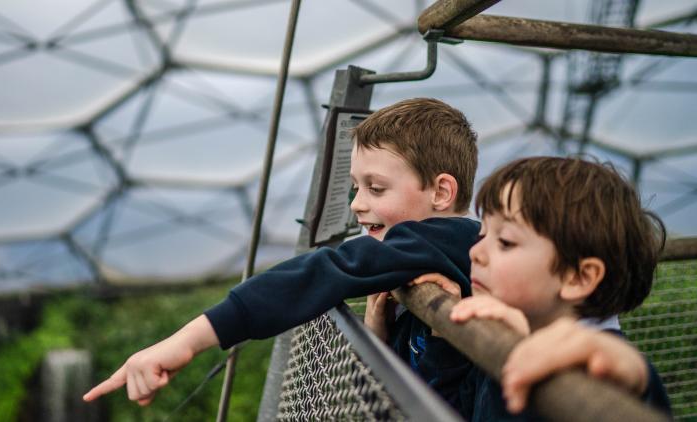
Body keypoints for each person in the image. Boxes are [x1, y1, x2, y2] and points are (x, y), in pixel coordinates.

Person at [83, 97, 481, 406]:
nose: (358, 204)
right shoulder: (430, 256)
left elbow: (325, 271)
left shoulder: (438, 239)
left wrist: (187, 340)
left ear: (441, 192)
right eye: (356, 187)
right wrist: (381, 333)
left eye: (376, 188)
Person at [415, 156, 672, 420]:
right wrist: (444, 335)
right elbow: (450, 411)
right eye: (483, 234)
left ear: (579, 278)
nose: (475, 251)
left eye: (504, 241)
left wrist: (639, 379)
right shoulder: (502, 330)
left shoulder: (603, 371)